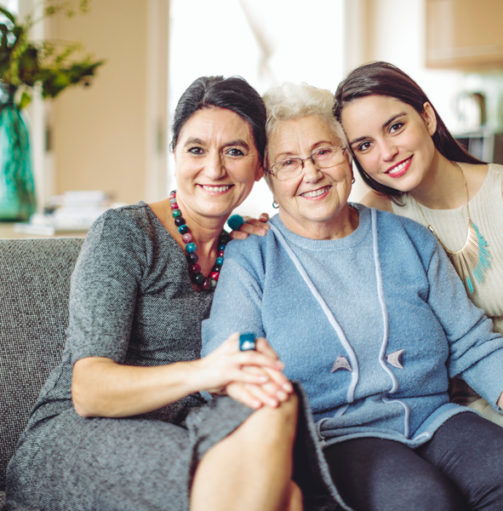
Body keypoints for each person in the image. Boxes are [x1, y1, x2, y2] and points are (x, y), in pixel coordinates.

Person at [201, 82, 503, 511]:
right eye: (289, 163)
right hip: (335, 434)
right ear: (267, 179)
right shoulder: (252, 257)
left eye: (324, 152)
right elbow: (227, 365)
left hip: (433, 414)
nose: (311, 173)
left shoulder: (407, 238)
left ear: (348, 157)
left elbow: (472, 342)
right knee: (421, 499)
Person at [5, 75, 345, 511]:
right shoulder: (126, 233)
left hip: (189, 425)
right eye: (196, 149)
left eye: (235, 152)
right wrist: (205, 371)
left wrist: (259, 239)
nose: (215, 169)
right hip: (80, 433)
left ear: (259, 167)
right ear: (174, 156)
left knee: (278, 400)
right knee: (286, 498)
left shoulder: (241, 252)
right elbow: (88, 389)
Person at [333, 61, 503, 510]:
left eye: (395, 126)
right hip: (471, 403)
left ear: (428, 118)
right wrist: (255, 229)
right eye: (364, 144)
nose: (386, 152)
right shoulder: (377, 215)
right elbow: (314, 245)